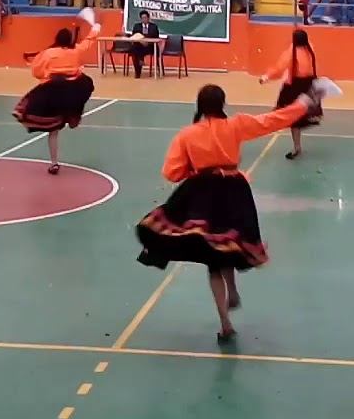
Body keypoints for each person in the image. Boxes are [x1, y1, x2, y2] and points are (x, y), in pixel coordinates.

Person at [136, 84, 322, 344]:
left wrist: (194, 170)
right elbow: (272, 120)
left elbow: (171, 172)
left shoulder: (188, 134)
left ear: (199, 105)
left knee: (212, 254)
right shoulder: (236, 125)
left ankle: (225, 322)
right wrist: (304, 102)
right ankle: (232, 289)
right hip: (234, 189)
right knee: (227, 241)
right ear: (223, 103)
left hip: (202, 192)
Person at [13, 12, 101, 174]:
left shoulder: (48, 54)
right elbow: (88, 42)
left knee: (53, 131)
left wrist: (48, 77)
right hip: (74, 90)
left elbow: (37, 72)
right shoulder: (76, 51)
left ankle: (54, 163)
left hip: (54, 91)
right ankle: (74, 114)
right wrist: (96, 28)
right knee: (86, 83)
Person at [260, 29, 321, 160]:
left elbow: (279, 68)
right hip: (308, 87)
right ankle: (297, 147)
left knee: (287, 117)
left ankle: (295, 147)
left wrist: (266, 77)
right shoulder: (310, 49)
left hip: (294, 88)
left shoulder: (291, 52)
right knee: (297, 121)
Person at [128, 10, 160, 79]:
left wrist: (147, 41)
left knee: (137, 52)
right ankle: (138, 72)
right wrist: (141, 41)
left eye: (145, 17)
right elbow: (134, 36)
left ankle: (140, 60)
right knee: (135, 49)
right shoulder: (137, 26)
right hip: (140, 46)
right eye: (142, 18)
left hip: (151, 46)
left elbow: (156, 36)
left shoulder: (154, 26)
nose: (144, 19)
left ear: (148, 18)